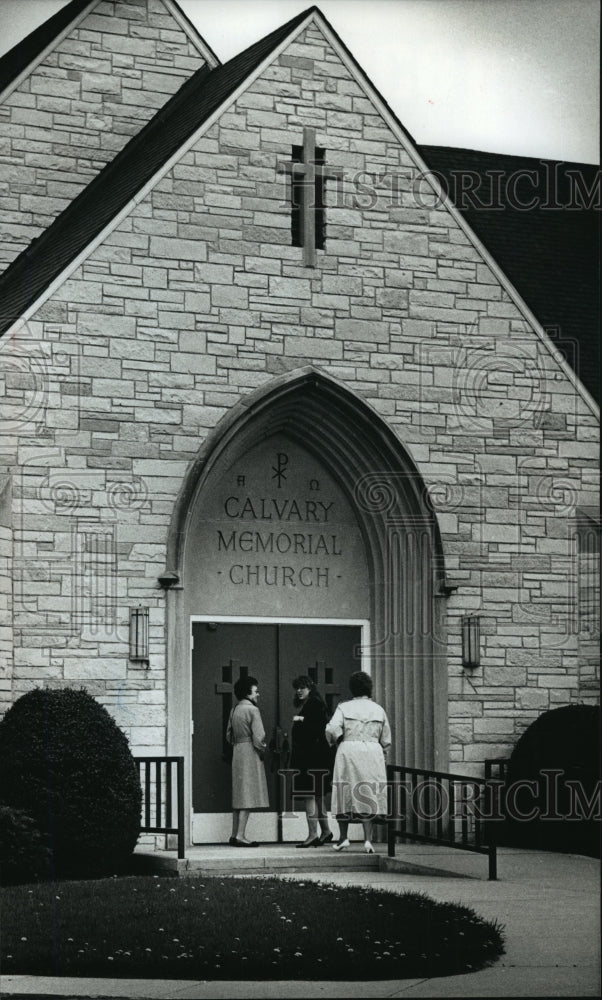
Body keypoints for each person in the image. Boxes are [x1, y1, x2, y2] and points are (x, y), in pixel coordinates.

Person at [325, 670, 391, 853]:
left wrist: (338, 740)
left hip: (349, 751)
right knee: (367, 791)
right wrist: (381, 750)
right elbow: (386, 738)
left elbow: (331, 729)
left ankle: (343, 837)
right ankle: (368, 840)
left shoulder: (344, 707)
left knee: (344, 791)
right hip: (372, 751)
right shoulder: (378, 709)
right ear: (369, 688)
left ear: (352, 689)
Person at [289, 675, 334, 848]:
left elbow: (312, 730)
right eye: (297, 687)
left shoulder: (313, 704)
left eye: (303, 687)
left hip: (309, 759)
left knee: (309, 794)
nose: (299, 691)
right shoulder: (316, 703)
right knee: (317, 795)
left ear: (310, 688)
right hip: (318, 758)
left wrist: (299, 721)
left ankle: (313, 834)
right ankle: (326, 831)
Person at [227, 675, 269, 847]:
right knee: (248, 795)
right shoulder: (253, 710)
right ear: (248, 692)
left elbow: (228, 735)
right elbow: (259, 737)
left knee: (239, 794)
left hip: (238, 751)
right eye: (255, 691)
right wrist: (263, 749)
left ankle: (234, 833)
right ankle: (241, 836)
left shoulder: (235, 709)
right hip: (250, 752)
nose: (257, 694)